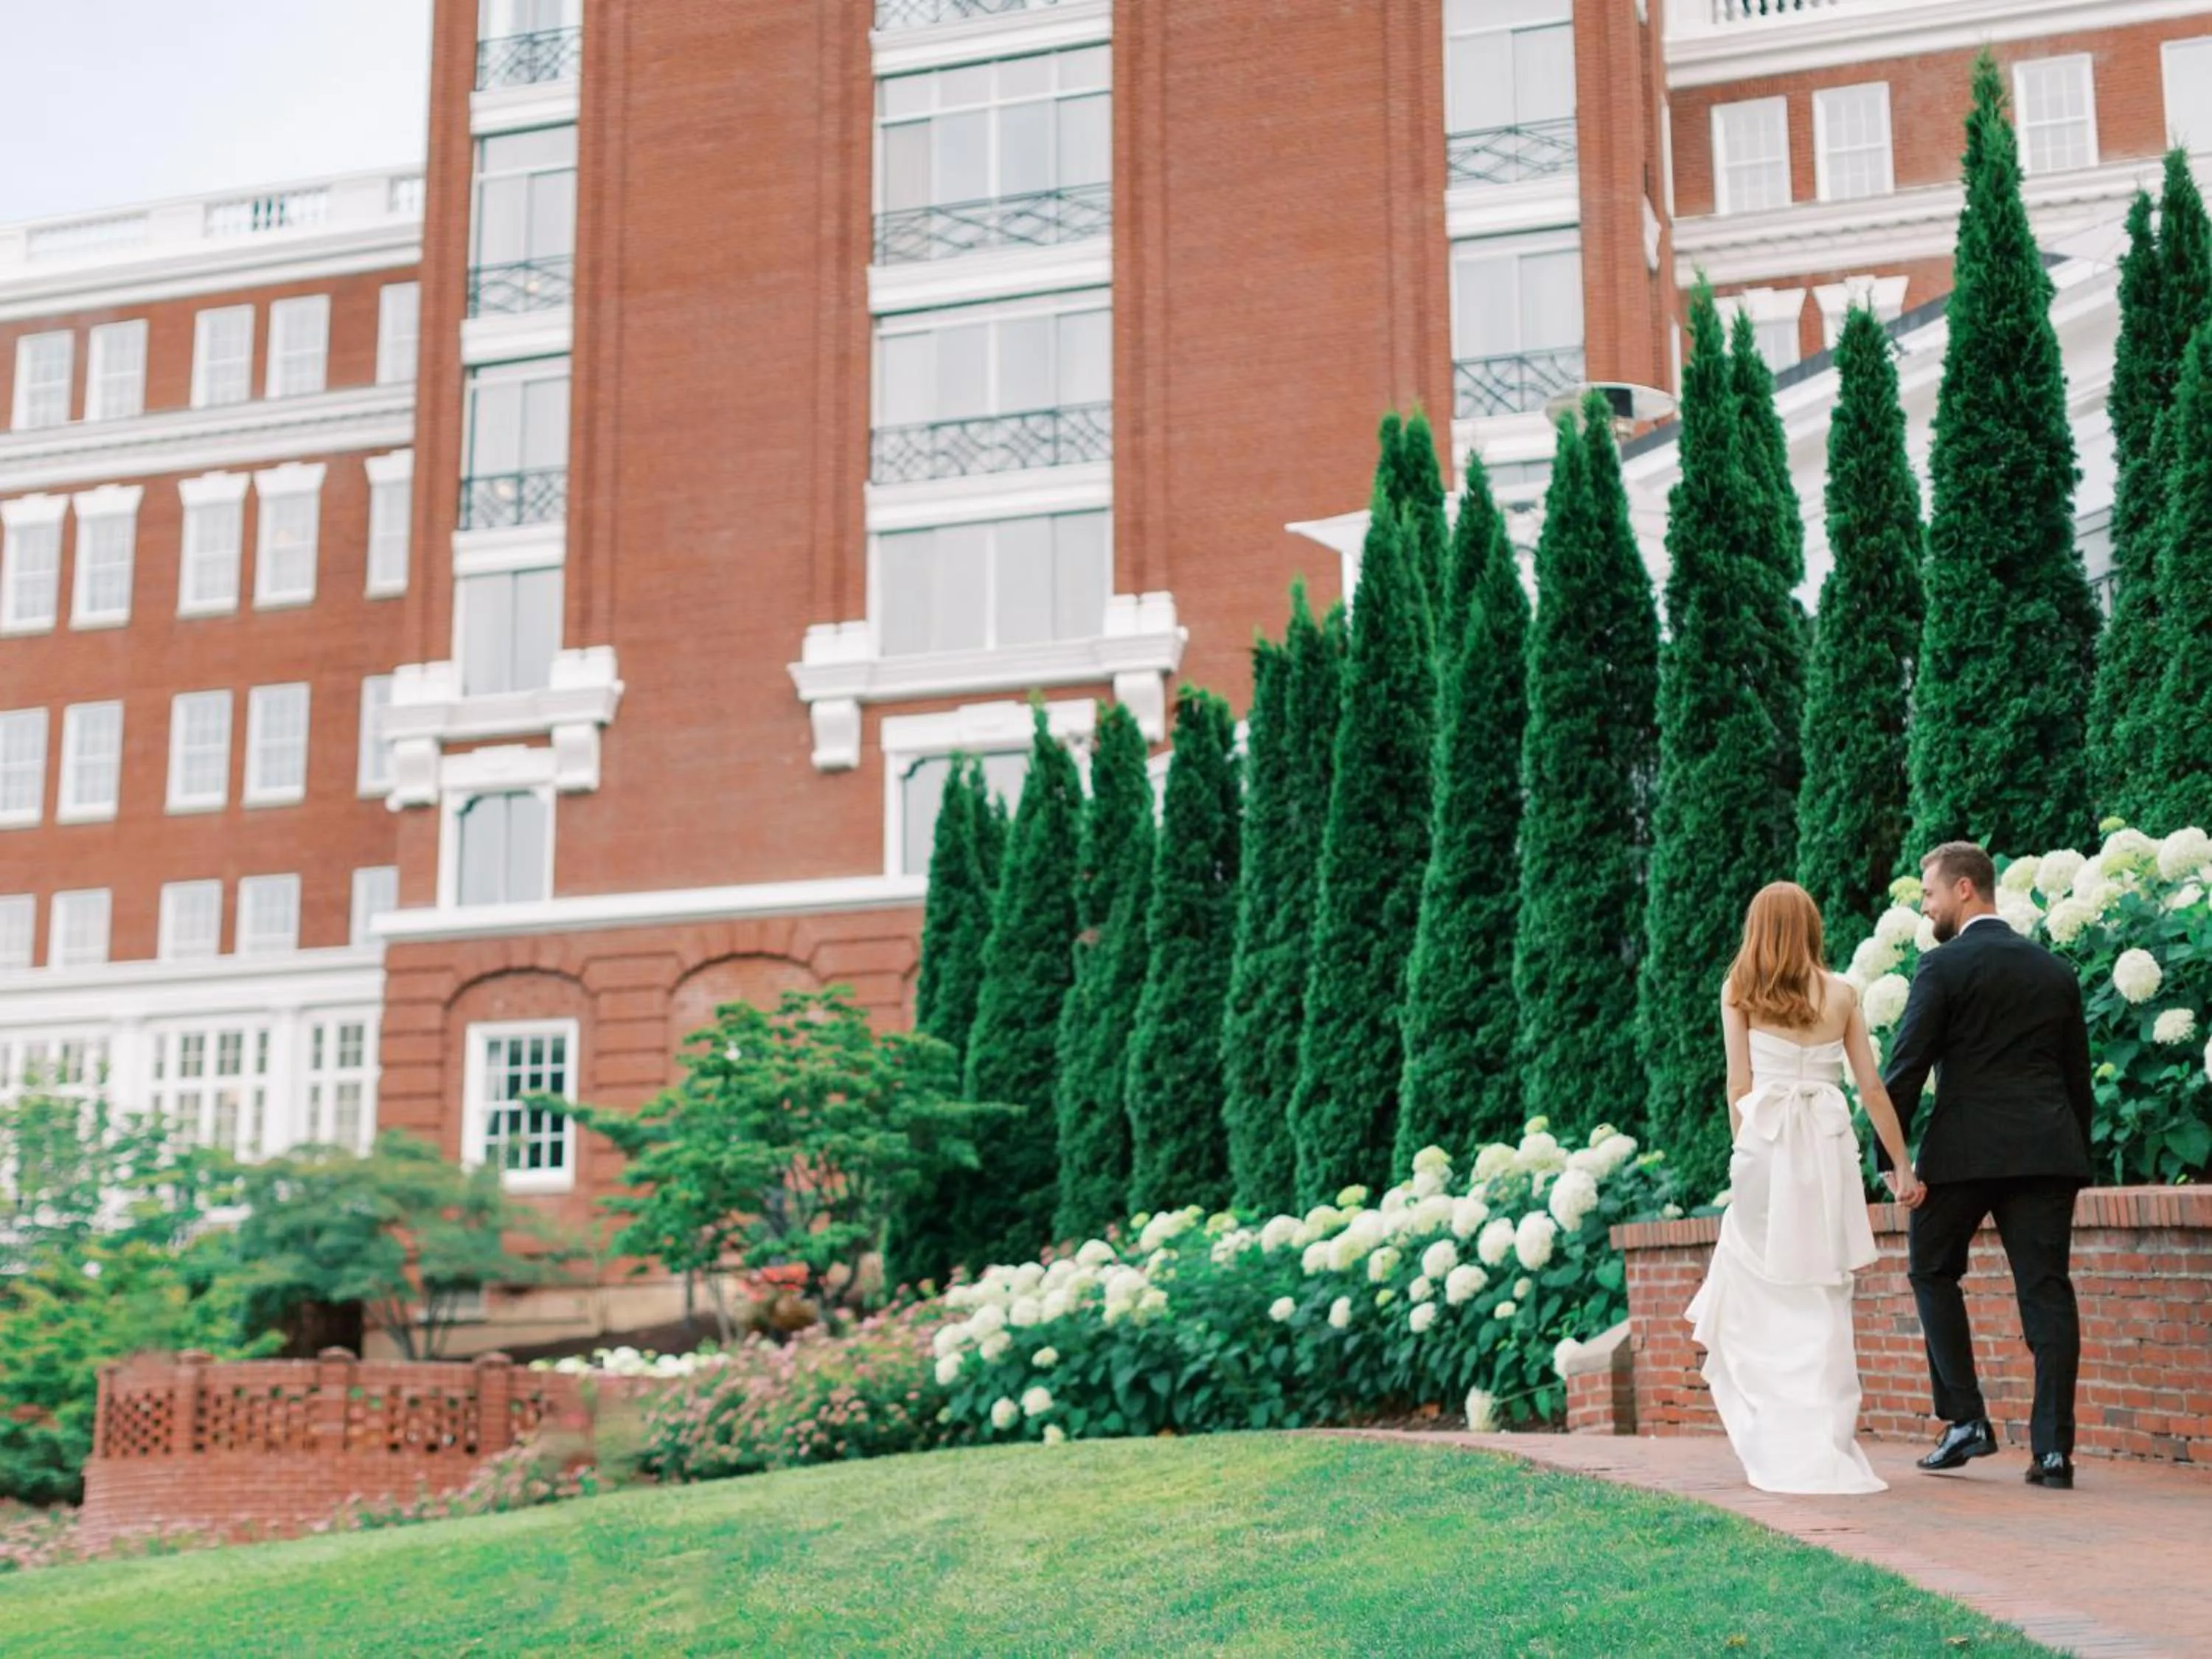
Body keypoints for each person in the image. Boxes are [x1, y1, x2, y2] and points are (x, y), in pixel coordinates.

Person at [1687, 881, 1922, 1495]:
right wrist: (1902, 1166)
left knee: (1761, 1283)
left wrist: (1745, 1158)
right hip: (1825, 1147)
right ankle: (1825, 1437)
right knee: (1823, 1284)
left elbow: (1737, 1085)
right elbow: (1873, 1090)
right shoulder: (1844, 992)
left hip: (1764, 1148)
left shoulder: (1739, 991)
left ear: (1757, 929)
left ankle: (1775, 1429)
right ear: (1813, 928)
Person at [1882, 841, 2094, 1490]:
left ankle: (1966, 1420)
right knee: (2046, 1291)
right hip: (2045, 1152)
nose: (1927, 906)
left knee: (1931, 1267)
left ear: (1966, 889)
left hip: (1964, 1150)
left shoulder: (1940, 967)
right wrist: (2074, 1156)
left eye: (1930, 892)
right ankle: (2053, 1453)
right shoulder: (2055, 971)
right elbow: (2077, 1082)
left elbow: (1906, 1068)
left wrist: (1891, 1161)